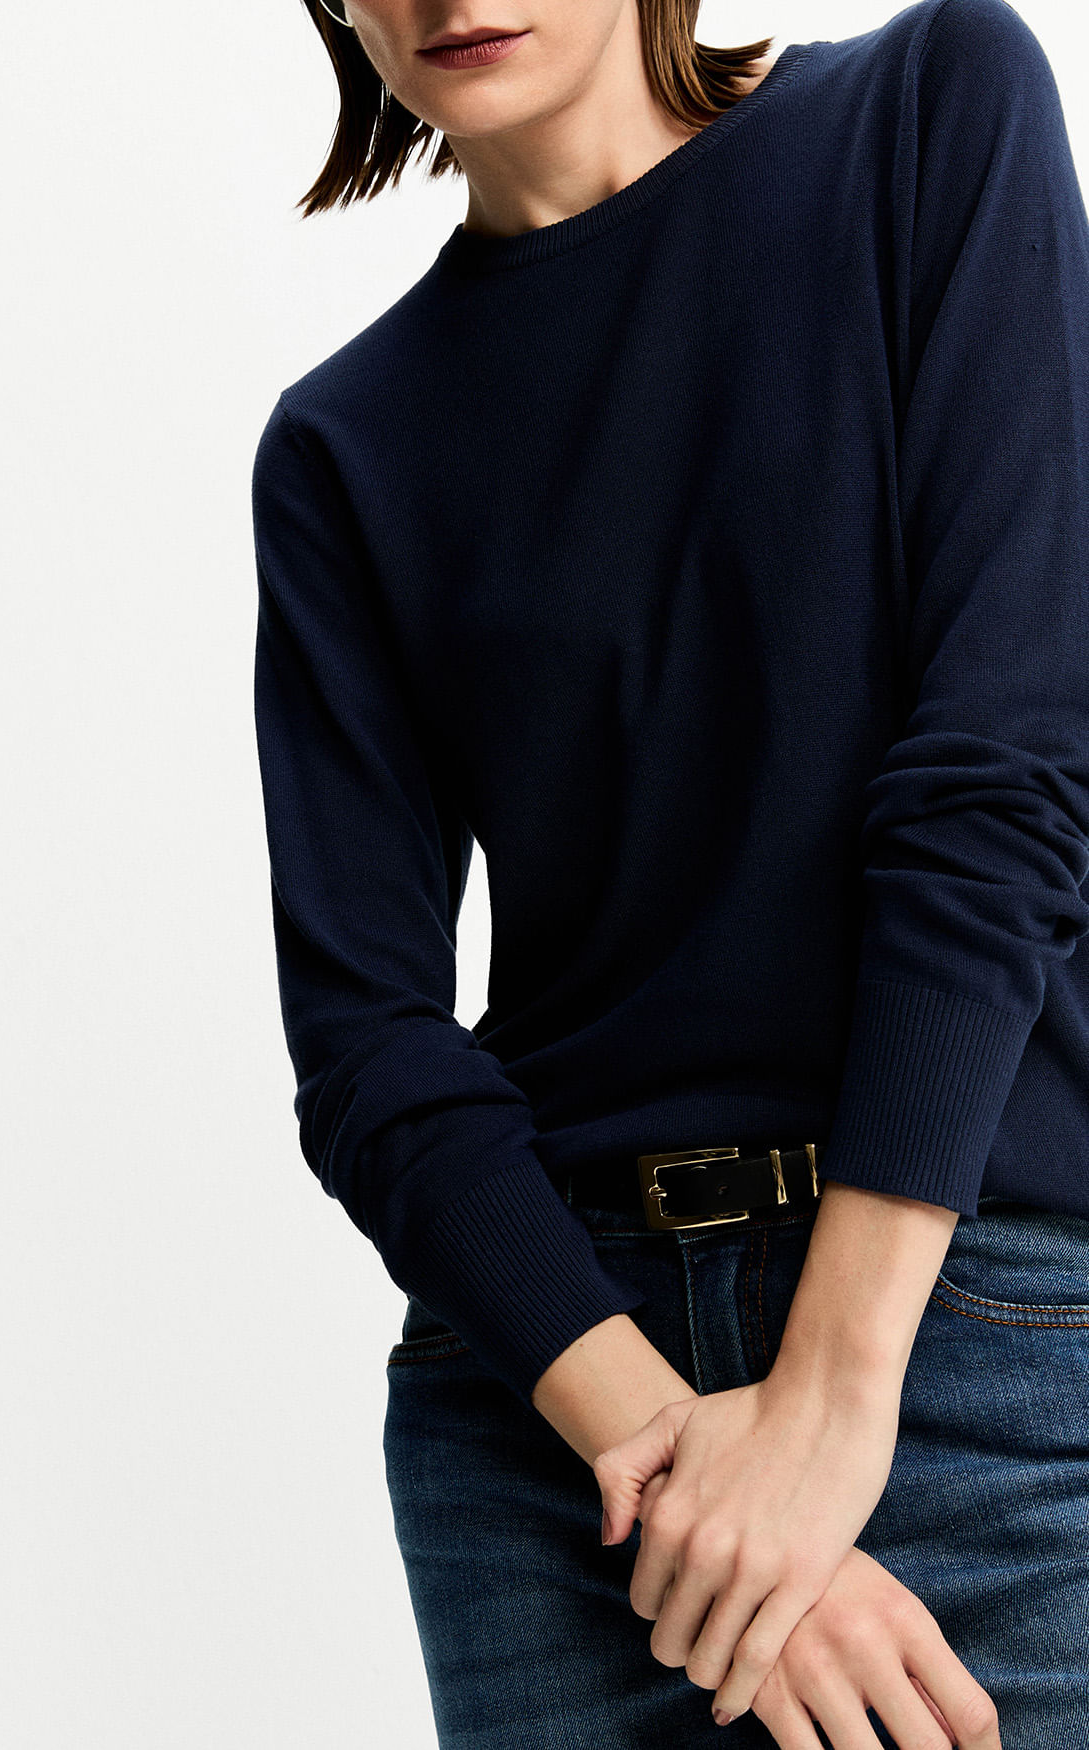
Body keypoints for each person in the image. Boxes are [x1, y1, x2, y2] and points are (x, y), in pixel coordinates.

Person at [249, 1, 1089, 1744]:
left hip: (964, 1337)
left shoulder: (928, 112)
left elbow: (1003, 766)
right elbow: (367, 1048)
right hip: (551, 1425)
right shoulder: (345, 446)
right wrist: (668, 1453)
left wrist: (828, 1409)